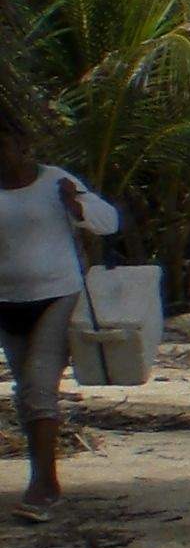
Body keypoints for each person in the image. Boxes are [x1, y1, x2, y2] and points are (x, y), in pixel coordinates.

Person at [0, 108, 120, 522]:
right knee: (25, 391)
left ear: (21, 144)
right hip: (6, 303)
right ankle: (43, 475)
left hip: (56, 296)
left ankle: (43, 484)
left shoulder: (55, 182)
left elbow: (109, 222)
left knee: (38, 384)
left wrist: (78, 205)